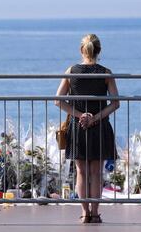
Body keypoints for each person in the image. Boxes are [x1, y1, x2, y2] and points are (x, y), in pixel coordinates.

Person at [55, 34, 120, 223]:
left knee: (81, 173)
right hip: (100, 127)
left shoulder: (71, 71)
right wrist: (95, 117)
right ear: (99, 51)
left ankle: (84, 213)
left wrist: (80, 115)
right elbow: (115, 103)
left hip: (77, 127)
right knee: (96, 173)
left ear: (81, 50)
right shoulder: (106, 73)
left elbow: (58, 101)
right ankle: (95, 212)